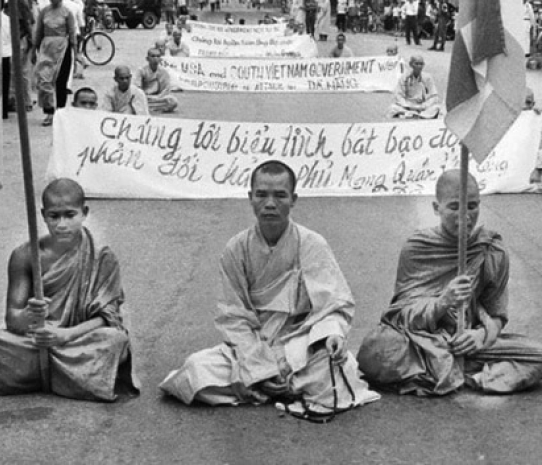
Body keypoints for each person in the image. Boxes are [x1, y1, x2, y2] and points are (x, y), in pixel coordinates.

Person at [160, 161, 379, 421]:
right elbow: (233, 316)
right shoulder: (236, 249)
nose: (270, 203)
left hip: (299, 344)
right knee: (195, 371)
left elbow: (333, 305)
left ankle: (262, 388)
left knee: (331, 363)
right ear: (250, 198)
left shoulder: (312, 244)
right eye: (262, 194)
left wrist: (332, 334)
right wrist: (260, 368)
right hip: (255, 345)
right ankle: (278, 386)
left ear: (293, 199)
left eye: (280, 195)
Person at [357, 170, 542, 395]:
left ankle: (451, 372)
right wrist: (443, 301)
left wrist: (480, 336)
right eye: (454, 207)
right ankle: (462, 370)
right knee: (377, 350)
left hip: (468, 341)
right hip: (421, 340)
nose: (465, 216)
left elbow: (497, 314)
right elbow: (400, 316)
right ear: (436, 208)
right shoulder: (417, 247)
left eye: (472, 206)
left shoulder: (491, 249)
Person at [0, 179, 140, 401]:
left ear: (84, 212)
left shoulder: (102, 257)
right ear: (42, 215)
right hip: (36, 341)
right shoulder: (25, 255)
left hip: (77, 339)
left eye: (70, 215)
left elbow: (108, 318)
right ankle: (74, 378)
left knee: (114, 340)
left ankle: (29, 375)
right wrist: (29, 316)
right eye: (54, 216)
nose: (61, 224)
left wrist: (65, 335)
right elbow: (12, 320)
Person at [33, 0, 76, 127]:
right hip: (46, 49)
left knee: (60, 83)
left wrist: (76, 54)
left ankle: (61, 112)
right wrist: (35, 49)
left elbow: (72, 33)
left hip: (62, 49)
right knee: (44, 80)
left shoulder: (67, 13)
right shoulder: (44, 12)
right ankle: (49, 112)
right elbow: (38, 31)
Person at [387, 55, 442, 119]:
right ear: (411, 64)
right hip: (408, 105)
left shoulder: (427, 77)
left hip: (422, 106)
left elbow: (433, 95)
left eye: (421, 64)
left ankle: (412, 115)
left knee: (436, 107)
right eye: (417, 64)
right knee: (393, 107)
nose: (419, 66)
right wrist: (406, 105)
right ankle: (416, 115)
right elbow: (398, 94)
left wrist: (424, 106)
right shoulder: (404, 77)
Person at [136, 47, 177, 113]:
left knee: (173, 101)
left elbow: (166, 89)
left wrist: (158, 97)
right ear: (147, 59)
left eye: (158, 56)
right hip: (145, 98)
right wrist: (145, 97)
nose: (155, 59)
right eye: (153, 56)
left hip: (158, 98)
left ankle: (148, 108)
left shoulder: (164, 72)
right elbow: (137, 88)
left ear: (160, 59)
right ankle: (153, 108)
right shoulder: (141, 71)